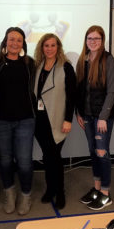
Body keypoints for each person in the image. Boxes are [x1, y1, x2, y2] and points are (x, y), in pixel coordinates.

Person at [0, 27, 35, 215]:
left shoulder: (29, 63)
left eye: (18, 40)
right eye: (11, 39)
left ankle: (25, 195)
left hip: (25, 120)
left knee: (24, 161)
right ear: (5, 41)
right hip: (0, 120)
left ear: (23, 43)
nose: (15, 43)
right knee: (5, 161)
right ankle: (9, 193)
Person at [76, 26, 114, 210]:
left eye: (97, 39)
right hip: (87, 115)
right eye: (90, 38)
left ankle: (106, 193)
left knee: (102, 153)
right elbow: (80, 90)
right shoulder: (83, 60)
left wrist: (103, 117)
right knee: (93, 152)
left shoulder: (108, 60)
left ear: (103, 40)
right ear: (85, 40)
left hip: (102, 117)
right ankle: (97, 188)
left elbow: (112, 91)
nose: (93, 41)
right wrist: (79, 112)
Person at [34, 33, 76, 209]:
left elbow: (72, 96)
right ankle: (50, 189)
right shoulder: (38, 66)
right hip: (40, 120)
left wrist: (68, 120)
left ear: (58, 47)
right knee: (47, 156)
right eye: (46, 45)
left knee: (55, 158)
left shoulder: (66, 67)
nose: (49, 49)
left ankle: (60, 192)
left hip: (58, 119)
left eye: (53, 45)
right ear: (41, 48)